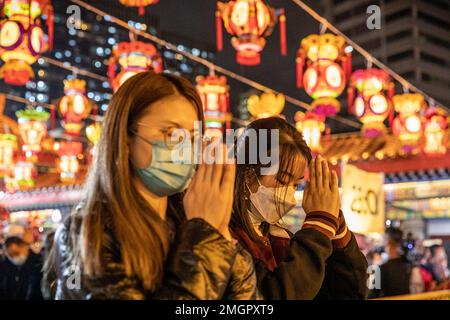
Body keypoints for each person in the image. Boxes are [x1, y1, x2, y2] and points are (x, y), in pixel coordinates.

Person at [46, 71, 258, 300]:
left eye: (193, 137)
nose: (183, 148)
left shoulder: (188, 220)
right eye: (170, 133)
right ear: (126, 137)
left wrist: (220, 237)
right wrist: (204, 240)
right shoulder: (85, 234)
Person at [230, 117, 368, 299]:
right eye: (282, 180)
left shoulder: (280, 238)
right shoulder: (224, 236)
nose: (289, 195)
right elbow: (275, 294)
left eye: (295, 185)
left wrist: (333, 222)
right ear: (248, 173)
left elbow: (351, 292)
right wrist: (317, 227)